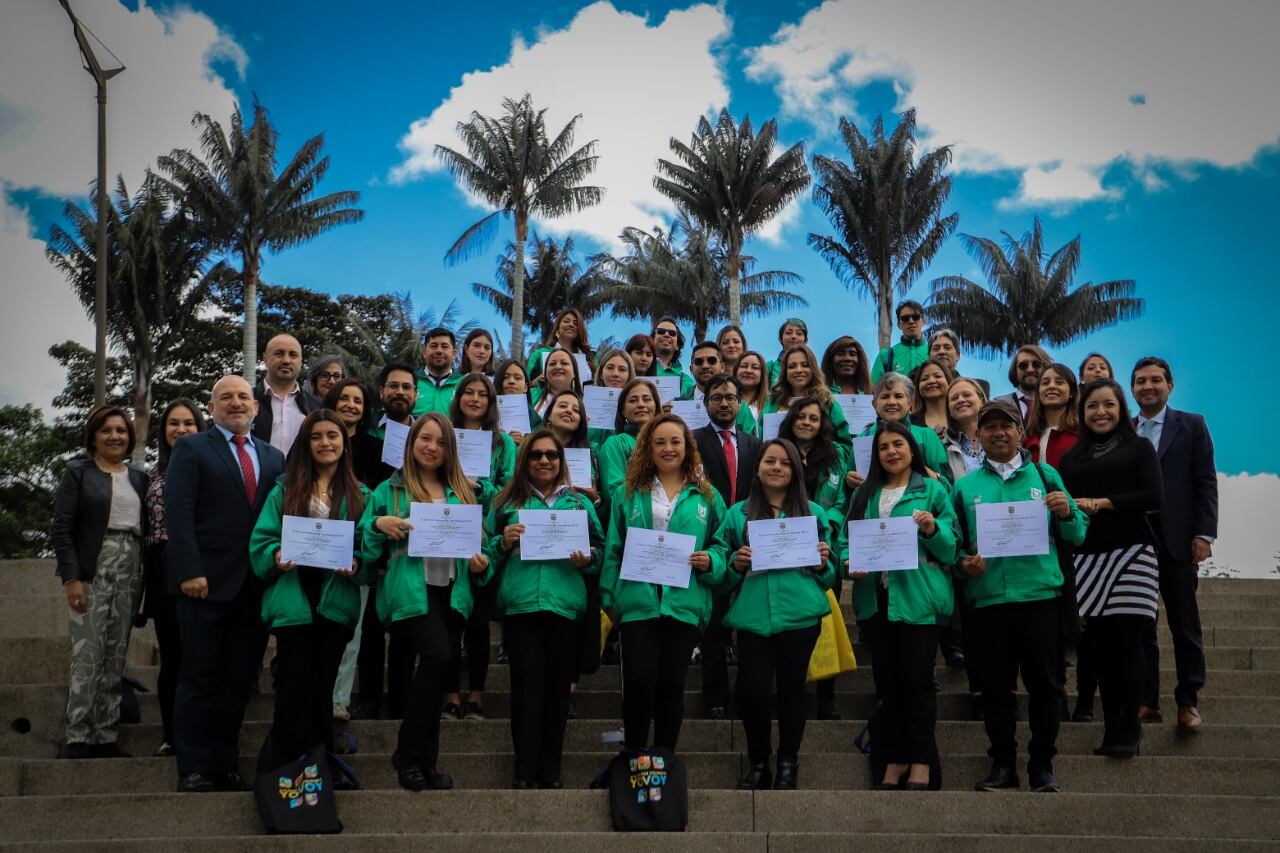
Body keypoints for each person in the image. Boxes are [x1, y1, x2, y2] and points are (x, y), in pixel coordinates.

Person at [951, 398, 1088, 794]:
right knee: (994, 688)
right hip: (989, 601)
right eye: (989, 427)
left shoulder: (1045, 476)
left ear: (1018, 432)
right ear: (978, 434)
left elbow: (1077, 534)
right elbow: (956, 546)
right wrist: (964, 563)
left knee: (1046, 687)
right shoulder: (964, 487)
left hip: (1039, 598)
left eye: (1006, 426)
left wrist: (1066, 513)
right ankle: (1003, 765)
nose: (998, 433)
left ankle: (1042, 765)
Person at [357, 413, 491, 790]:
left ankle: (425, 761)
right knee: (439, 658)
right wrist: (377, 525)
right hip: (409, 590)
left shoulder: (464, 491)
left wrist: (481, 561)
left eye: (441, 442)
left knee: (439, 672)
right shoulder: (390, 489)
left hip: (451, 590)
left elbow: (483, 550)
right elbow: (364, 546)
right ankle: (406, 751)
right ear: (411, 443)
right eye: (425, 440)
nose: (432, 447)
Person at [165, 376, 287, 792]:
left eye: (243, 397)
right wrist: (188, 571)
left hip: (255, 589)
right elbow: (178, 513)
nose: (236, 403)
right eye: (226, 397)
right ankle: (194, 767)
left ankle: (226, 763)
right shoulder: (192, 447)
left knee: (237, 682)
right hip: (204, 585)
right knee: (199, 678)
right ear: (212, 406)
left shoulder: (274, 458)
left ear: (255, 407)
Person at [839, 421, 958, 790]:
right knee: (888, 685)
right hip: (877, 603)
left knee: (918, 683)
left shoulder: (933, 490)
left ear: (912, 450)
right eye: (884, 447)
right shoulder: (864, 495)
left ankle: (922, 761)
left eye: (898, 445)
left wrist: (931, 530)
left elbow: (952, 547)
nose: (891, 451)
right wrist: (848, 563)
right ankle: (893, 759)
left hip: (920, 600)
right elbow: (847, 541)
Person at [249, 410, 370, 766]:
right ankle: (285, 773)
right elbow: (261, 540)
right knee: (291, 687)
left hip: (334, 600)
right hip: (293, 598)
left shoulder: (362, 494)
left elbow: (367, 547)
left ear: (344, 444)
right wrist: (275, 555)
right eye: (316, 436)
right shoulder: (284, 490)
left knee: (321, 688)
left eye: (332, 436)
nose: (325, 443)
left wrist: (358, 563)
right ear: (306, 443)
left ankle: (320, 770)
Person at [601, 414, 727, 752]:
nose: (668, 448)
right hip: (639, 603)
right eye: (660, 442)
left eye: (675, 441)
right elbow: (614, 547)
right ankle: (636, 755)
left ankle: (664, 758)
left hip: (684, 603)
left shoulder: (707, 496)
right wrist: (613, 599)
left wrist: (711, 561)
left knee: (672, 683)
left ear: (687, 448)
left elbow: (721, 544)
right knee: (639, 680)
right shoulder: (627, 494)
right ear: (647, 448)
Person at [485, 430, 604, 787]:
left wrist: (589, 559)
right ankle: (524, 769)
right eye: (536, 455)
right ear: (525, 460)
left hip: (565, 607)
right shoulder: (506, 501)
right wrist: (502, 542)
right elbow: (486, 553)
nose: (544, 461)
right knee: (525, 690)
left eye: (552, 455)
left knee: (556, 693)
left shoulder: (580, 505)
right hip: (522, 607)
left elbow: (600, 550)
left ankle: (550, 769)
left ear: (561, 460)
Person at [717, 438, 833, 790]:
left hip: (800, 614)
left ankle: (787, 762)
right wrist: (734, 565)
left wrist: (822, 564)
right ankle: (757, 762)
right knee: (751, 691)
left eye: (785, 462)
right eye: (770, 461)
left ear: (796, 469)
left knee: (792, 691)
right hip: (753, 615)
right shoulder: (737, 514)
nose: (777, 467)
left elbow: (831, 576)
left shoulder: (814, 512)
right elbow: (721, 574)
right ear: (758, 468)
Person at [1057, 379, 1163, 756]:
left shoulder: (1139, 447)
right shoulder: (1070, 459)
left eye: (1108, 405)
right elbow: (1065, 505)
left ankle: (1130, 727)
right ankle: (1111, 727)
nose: (1100, 412)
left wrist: (1104, 503)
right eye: (1092, 406)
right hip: (1086, 558)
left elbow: (1153, 497)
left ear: (1120, 409)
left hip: (1133, 553)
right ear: (1081, 413)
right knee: (1099, 648)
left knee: (1128, 641)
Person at [52, 405, 149, 759]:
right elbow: (62, 529)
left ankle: (106, 734)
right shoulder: (78, 472)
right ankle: (78, 734)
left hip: (132, 562)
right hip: (94, 563)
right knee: (88, 653)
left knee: (115, 652)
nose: (115, 437)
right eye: (107, 430)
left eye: (121, 431)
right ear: (93, 436)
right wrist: (72, 579)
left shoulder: (139, 477)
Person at [1131, 356, 1217, 731]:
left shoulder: (1192, 425)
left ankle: (1188, 701)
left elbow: (1205, 481)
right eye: (1140, 381)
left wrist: (1204, 533)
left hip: (1178, 539)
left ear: (1170, 385)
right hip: (1133, 541)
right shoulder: (1122, 429)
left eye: (1155, 380)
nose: (1147, 387)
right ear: (1132, 389)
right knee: (1141, 625)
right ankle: (1147, 701)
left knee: (1184, 623)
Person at [442, 373, 514, 719]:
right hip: (445, 532)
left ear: (490, 402)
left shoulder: (503, 444)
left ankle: (476, 694)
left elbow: (508, 490)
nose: (474, 398)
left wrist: (479, 487)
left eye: (481, 394)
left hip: (485, 537)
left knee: (479, 621)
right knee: (450, 618)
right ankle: (451, 693)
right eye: (467, 392)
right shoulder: (444, 437)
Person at [693, 375, 764, 719]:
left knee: (750, 624)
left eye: (730, 398)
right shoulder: (693, 442)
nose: (724, 403)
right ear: (705, 403)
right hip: (711, 539)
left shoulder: (755, 444)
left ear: (741, 404)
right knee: (714, 626)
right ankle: (716, 697)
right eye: (716, 397)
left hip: (751, 537)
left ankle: (750, 696)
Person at [776, 396, 851, 720]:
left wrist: (830, 523)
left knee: (825, 623)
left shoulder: (835, 458)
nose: (806, 422)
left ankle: (827, 699)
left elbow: (842, 500)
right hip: (782, 546)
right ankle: (788, 694)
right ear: (791, 420)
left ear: (823, 424)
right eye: (801, 417)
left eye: (814, 418)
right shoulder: (778, 455)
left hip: (823, 546)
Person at [351, 362, 418, 721]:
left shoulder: (425, 433)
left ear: (416, 395)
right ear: (382, 393)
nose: (400, 393)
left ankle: (401, 700)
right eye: (393, 386)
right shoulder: (364, 438)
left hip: (410, 543)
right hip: (374, 530)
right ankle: (369, 695)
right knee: (372, 630)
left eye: (407, 387)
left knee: (406, 631)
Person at [140, 399, 205, 756]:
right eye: (173, 424)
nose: (180, 430)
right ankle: (171, 734)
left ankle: (199, 733)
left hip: (201, 567)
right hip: (162, 568)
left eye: (189, 423)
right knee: (172, 656)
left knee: (200, 656)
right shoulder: (151, 476)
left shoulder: (208, 468)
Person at [321, 379, 375, 721]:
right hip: (309, 555)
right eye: (344, 398)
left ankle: (339, 699)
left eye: (358, 400)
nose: (351, 405)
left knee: (351, 635)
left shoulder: (374, 447)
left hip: (352, 552)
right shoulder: (310, 442)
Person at [850, 373, 950, 488]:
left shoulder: (926, 436)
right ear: (874, 404)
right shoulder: (862, 439)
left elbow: (947, 485)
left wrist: (918, 469)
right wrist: (848, 482)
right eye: (885, 396)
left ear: (909, 403)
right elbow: (846, 496)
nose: (892, 402)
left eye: (898, 396)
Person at [766, 345, 851, 447]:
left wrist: (824, 451)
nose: (799, 370)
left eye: (805, 365)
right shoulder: (772, 403)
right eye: (792, 366)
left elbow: (846, 447)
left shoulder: (828, 403)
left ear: (813, 369)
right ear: (785, 372)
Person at [253, 334, 321, 456]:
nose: (286, 360)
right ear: (265, 359)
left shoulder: (317, 406)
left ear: (301, 362)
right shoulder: (246, 401)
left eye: (293, 355)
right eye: (279, 354)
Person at [598, 378, 659, 499]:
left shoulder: (669, 444)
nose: (641, 404)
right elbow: (615, 495)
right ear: (623, 411)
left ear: (656, 407)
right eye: (633, 400)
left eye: (647, 399)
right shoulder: (615, 444)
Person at [1024, 363, 1080, 467]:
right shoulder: (1028, 438)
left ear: (1071, 392)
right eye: (1045, 383)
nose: (1051, 386)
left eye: (1059, 382)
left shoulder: (1082, 435)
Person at [528, 308, 595, 383]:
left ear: (579, 330)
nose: (571, 325)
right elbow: (526, 386)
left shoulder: (591, 357)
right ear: (557, 328)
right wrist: (537, 380)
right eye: (566, 321)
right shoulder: (539, 355)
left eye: (576, 323)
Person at [871, 301, 929, 382]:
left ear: (923, 321)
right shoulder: (886, 356)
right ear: (899, 325)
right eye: (905, 318)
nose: (911, 321)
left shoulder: (933, 351)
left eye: (916, 317)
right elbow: (874, 388)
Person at [414, 327, 462, 416]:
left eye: (444, 346)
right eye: (434, 346)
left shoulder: (464, 384)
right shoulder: (410, 381)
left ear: (454, 354)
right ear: (424, 352)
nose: (439, 350)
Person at [999, 344, 1053, 422]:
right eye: (1023, 365)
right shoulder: (1001, 404)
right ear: (1015, 371)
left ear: (1046, 368)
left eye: (1036, 364)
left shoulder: (1056, 404)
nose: (1030, 370)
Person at [531, 349, 584, 419]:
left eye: (564, 363)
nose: (558, 367)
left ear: (574, 373)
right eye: (552, 364)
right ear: (545, 373)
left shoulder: (587, 403)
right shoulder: (529, 395)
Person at [651, 317, 695, 397]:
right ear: (652, 340)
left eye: (672, 333)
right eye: (661, 331)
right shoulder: (640, 370)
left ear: (677, 345)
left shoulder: (687, 382)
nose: (666, 334)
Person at [495, 358, 539, 439]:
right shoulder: (486, 414)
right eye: (505, 377)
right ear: (498, 383)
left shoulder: (537, 421)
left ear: (526, 387)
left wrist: (523, 445)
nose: (511, 381)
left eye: (517, 378)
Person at [910, 359, 955, 432]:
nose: (931, 381)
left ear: (948, 382)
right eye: (924, 379)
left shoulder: (962, 417)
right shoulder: (909, 423)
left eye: (937, 376)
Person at [765, 318, 809, 386]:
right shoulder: (770, 367)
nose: (794, 336)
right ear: (780, 339)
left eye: (799, 333)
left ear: (805, 340)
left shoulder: (814, 370)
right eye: (788, 333)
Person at [734, 351, 768, 436]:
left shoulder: (773, 404)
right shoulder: (726, 402)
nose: (749, 371)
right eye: (744, 366)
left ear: (762, 374)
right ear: (736, 371)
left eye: (755, 367)